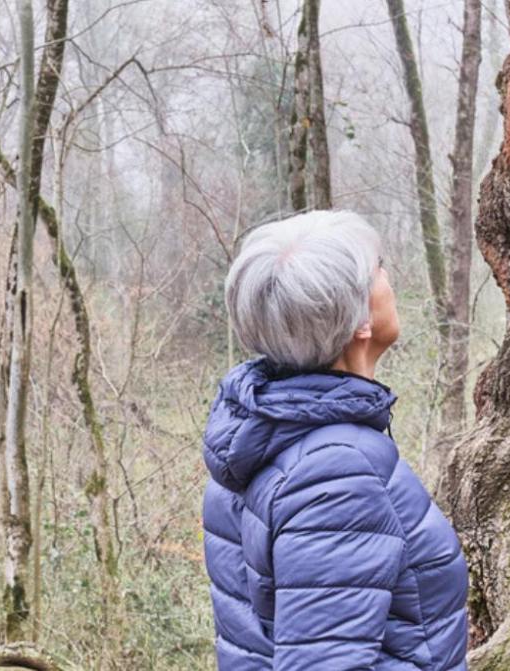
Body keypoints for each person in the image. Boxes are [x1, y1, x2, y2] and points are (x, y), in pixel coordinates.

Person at [201, 210, 469, 670]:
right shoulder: (337, 471)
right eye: (378, 268)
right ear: (359, 320)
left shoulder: (256, 432)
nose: (387, 276)